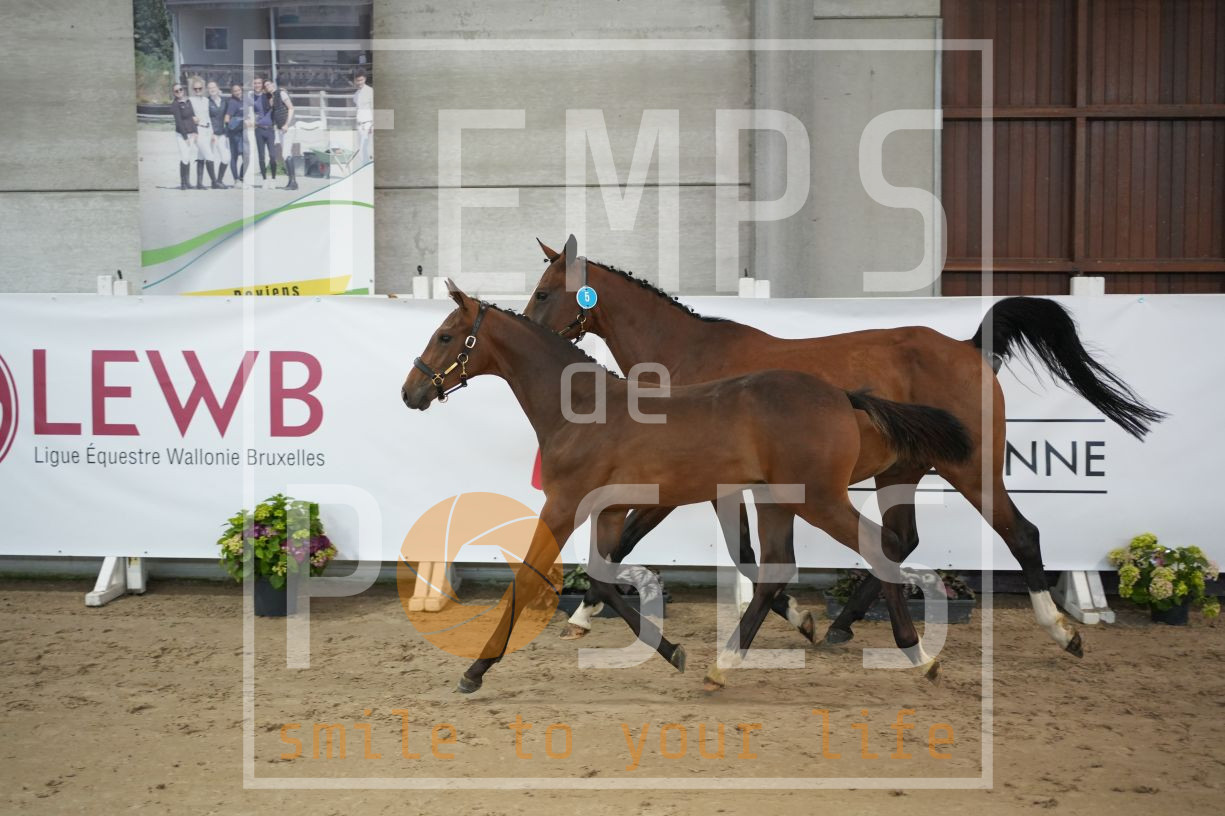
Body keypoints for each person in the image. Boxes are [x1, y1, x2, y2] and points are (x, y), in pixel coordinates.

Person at [187, 77, 224, 189]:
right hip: (198, 130)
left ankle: (199, 183)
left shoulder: (206, 100)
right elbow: (186, 115)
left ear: (203, 89)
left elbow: (209, 117)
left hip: (208, 130)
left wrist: (212, 132)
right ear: (193, 90)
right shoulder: (190, 100)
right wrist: (192, 120)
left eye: (200, 88)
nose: (198, 90)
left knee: (201, 156)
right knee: (209, 155)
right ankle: (214, 182)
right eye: (195, 89)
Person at [266, 78, 297, 190]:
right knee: (287, 154)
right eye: (266, 86)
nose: (267, 87)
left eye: (268, 84)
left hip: (288, 127)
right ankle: (291, 182)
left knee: (286, 154)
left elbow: (291, 108)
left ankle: (293, 182)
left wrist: (287, 124)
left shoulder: (281, 93)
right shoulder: (272, 97)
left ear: (273, 84)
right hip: (280, 128)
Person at [170, 83, 197, 190]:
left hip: (191, 133)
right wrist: (185, 137)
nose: (179, 92)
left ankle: (187, 182)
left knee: (188, 157)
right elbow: (179, 122)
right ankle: (183, 183)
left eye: (180, 89)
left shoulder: (188, 101)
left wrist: (195, 131)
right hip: (181, 135)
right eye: (176, 91)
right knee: (184, 157)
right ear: (174, 93)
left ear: (183, 90)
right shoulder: (175, 105)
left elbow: (193, 116)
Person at [206, 81, 231, 188]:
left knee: (226, 158)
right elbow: (205, 118)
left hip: (222, 133)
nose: (212, 89)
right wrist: (210, 132)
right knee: (210, 157)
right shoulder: (206, 102)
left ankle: (219, 180)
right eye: (210, 88)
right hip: (211, 134)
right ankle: (214, 182)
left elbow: (229, 115)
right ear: (208, 90)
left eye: (213, 87)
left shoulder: (224, 101)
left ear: (217, 88)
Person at [251, 76, 275, 184]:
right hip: (259, 129)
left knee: (272, 156)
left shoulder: (268, 95)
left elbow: (276, 99)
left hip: (270, 129)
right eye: (255, 83)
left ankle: (273, 179)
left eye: (259, 83)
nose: (257, 85)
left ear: (262, 85)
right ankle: (264, 179)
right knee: (261, 156)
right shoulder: (251, 97)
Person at [223, 83, 249, 185]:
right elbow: (227, 118)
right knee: (235, 156)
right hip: (234, 133)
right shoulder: (232, 103)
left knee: (246, 156)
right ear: (232, 92)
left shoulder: (243, 101)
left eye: (238, 90)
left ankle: (241, 177)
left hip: (243, 132)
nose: (237, 92)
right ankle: (236, 179)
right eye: (235, 91)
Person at [353, 69, 373, 166]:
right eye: (358, 80)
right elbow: (357, 109)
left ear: (365, 79)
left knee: (367, 148)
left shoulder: (370, 91)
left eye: (361, 80)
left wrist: (372, 125)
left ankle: (369, 168)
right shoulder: (356, 94)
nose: (359, 82)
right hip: (359, 125)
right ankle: (363, 168)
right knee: (360, 149)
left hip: (368, 124)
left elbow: (374, 108)